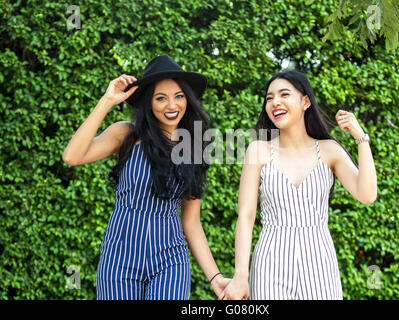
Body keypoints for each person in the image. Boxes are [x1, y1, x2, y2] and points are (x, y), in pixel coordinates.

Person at [62, 55, 230, 300]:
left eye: (179, 96)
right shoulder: (126, 134)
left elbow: (191, 222)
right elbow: (71, 156)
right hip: (119, 257)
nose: (171, 105)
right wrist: (107, 100)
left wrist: (216, 278)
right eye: (161, 98)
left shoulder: (194, 150)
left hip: (170, 261)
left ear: (188, 99)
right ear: (149, 103)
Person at [220, 70, 377, 300]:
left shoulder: (329, 150)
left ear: (305, 101)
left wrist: (360, 137)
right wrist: (241, 276)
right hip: (270, 265)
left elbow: (367, 194)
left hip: (320, 265)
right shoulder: (258, 151)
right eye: (269, 98)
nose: (275, 103)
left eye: (284, 94)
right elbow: (246, 216)